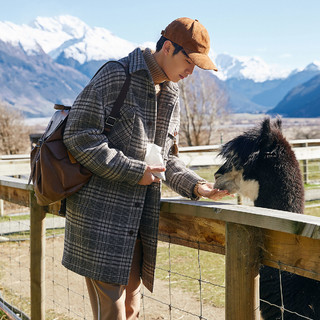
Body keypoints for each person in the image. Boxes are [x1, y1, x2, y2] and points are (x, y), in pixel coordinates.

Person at [62, 17, 229, 320]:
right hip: (101, 221)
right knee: (112, 315)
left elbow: (166, 159)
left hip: (137, 225)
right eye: (190, 62)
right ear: (168, 48)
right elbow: (78, 135)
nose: (192, 72)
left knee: (131, 310)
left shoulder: (171, 94)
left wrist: (195, 185)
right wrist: (133, 171)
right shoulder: (116, 75)